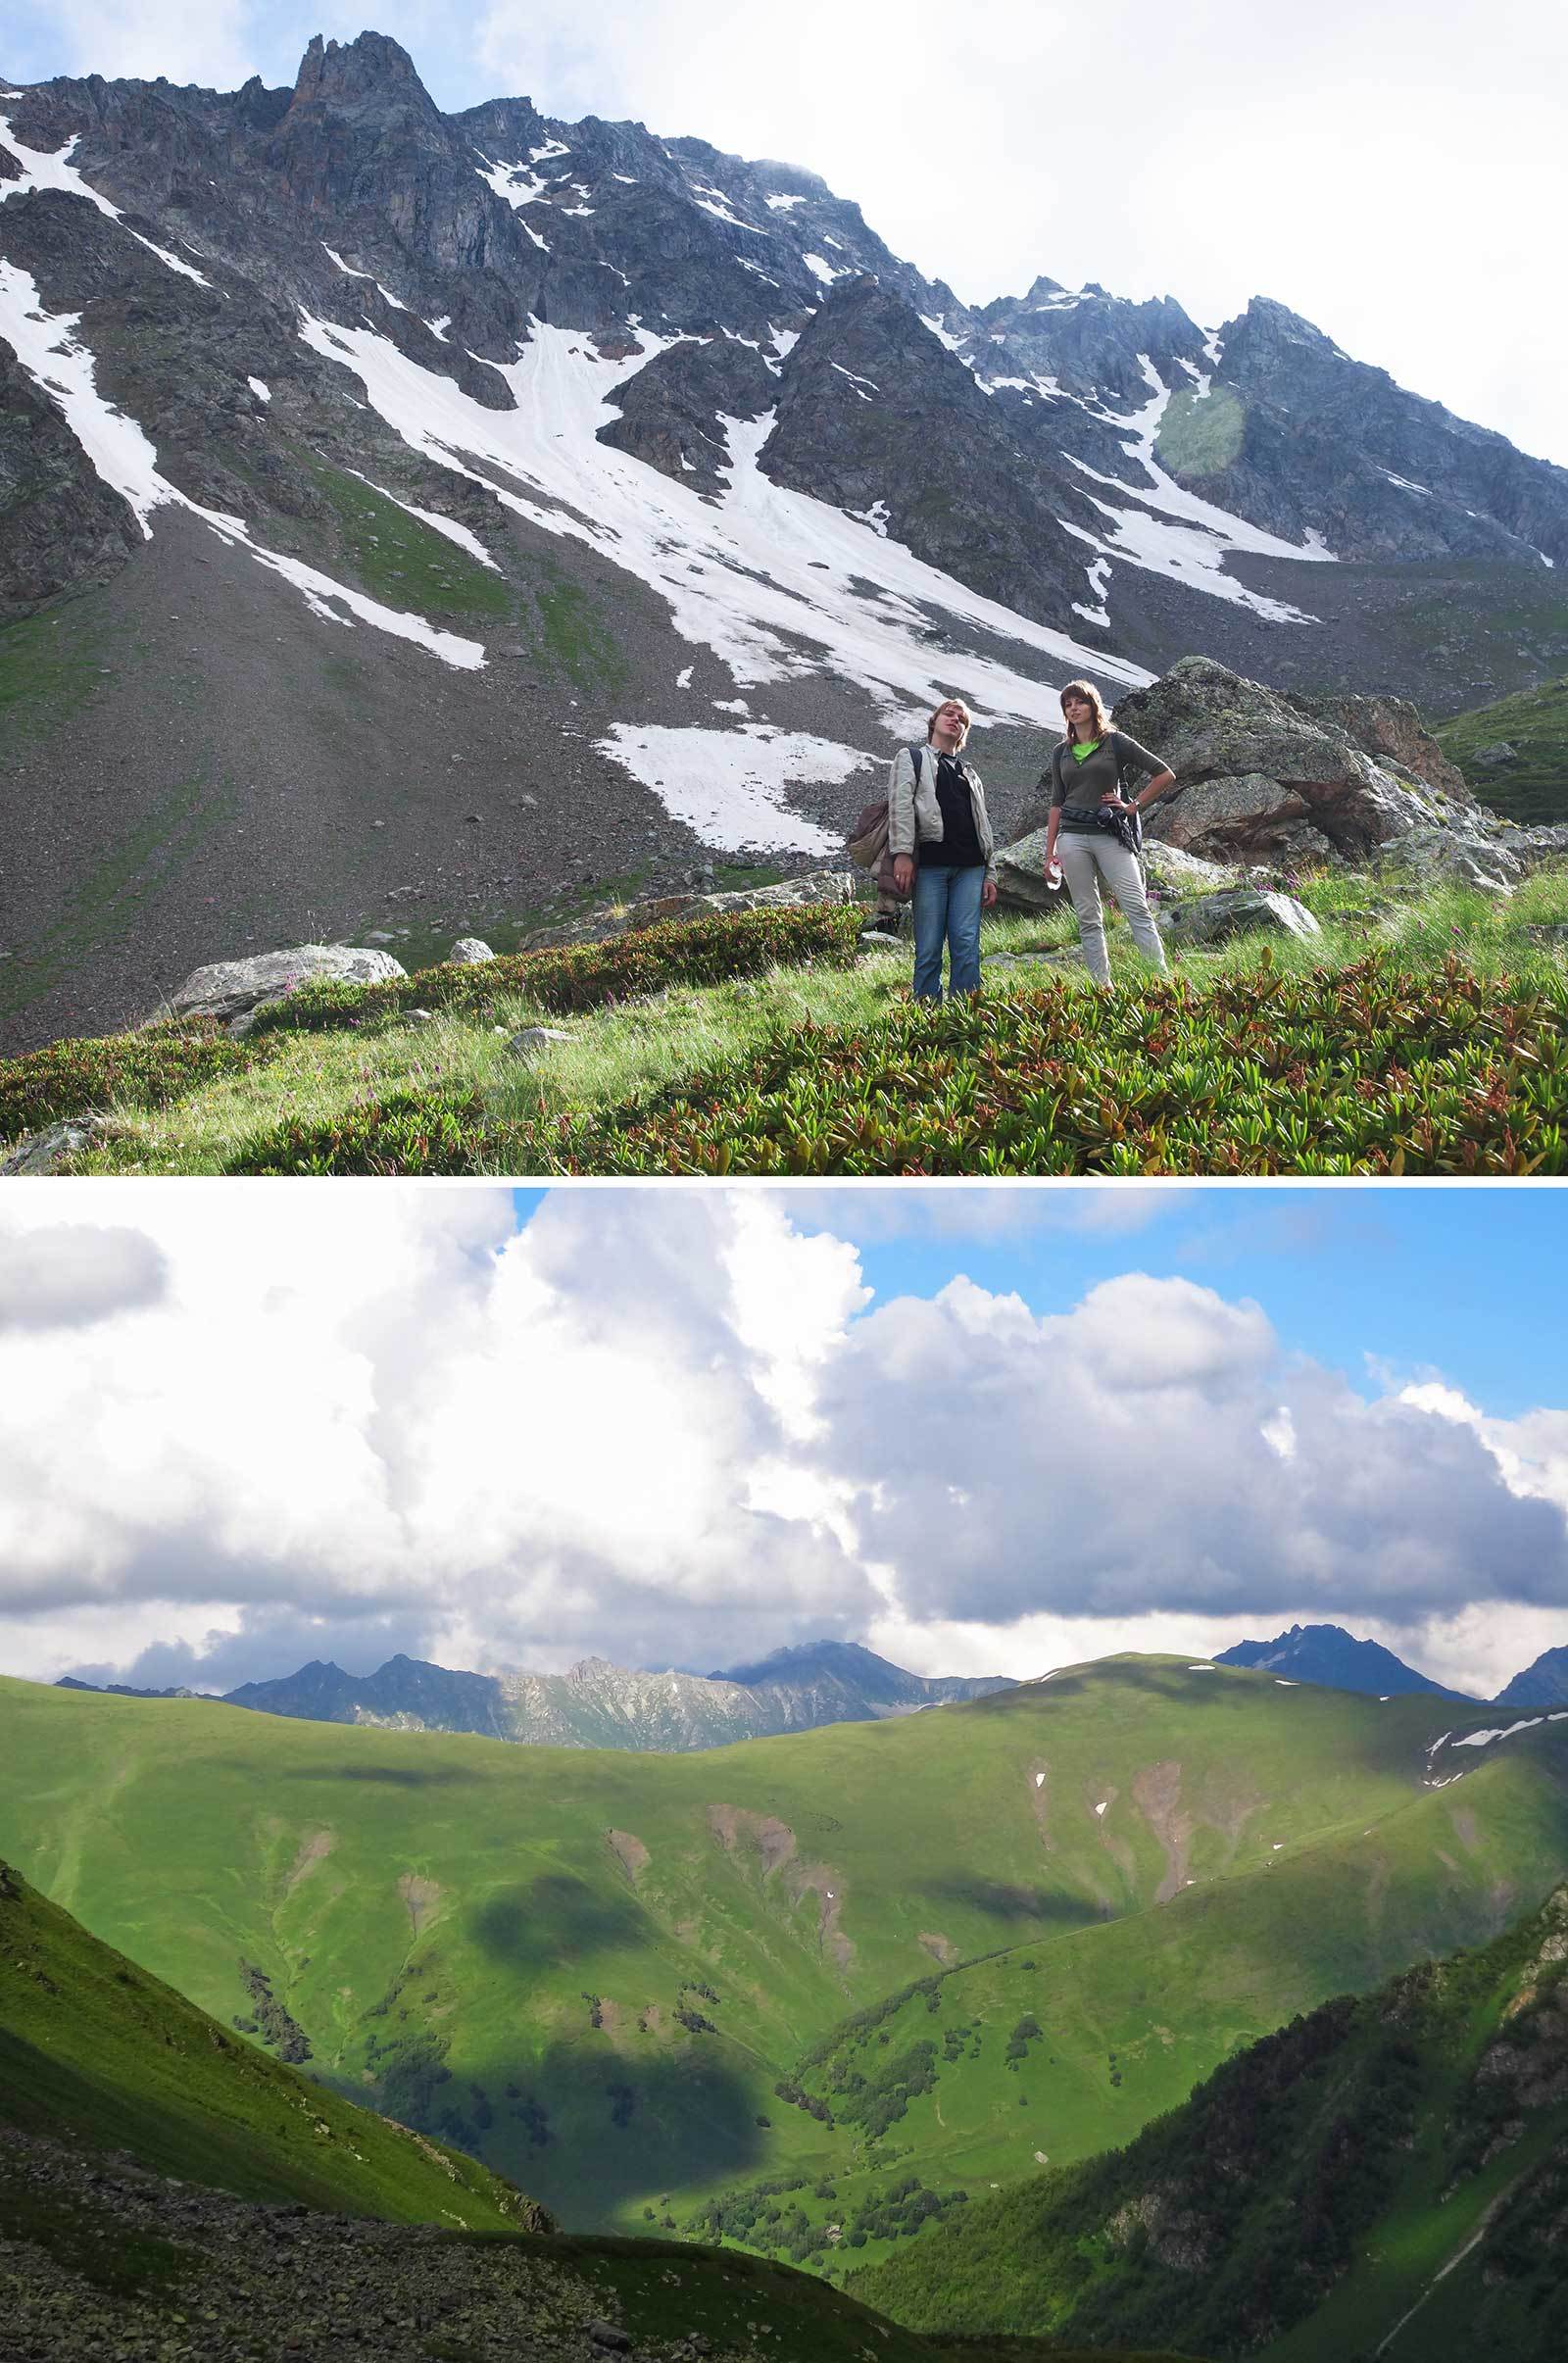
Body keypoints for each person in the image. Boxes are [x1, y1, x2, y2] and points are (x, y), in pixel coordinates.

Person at [1041, 680, 1176, 988]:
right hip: (1072, 837)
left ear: (1093, 706)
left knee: (1137, 907)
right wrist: (1049, 854)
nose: (1073, 709)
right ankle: (1103, 988)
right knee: (1088, 916)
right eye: (1068, 704)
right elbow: (1056, 803)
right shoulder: (1060, 752)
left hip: (1110, 835)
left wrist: (1133, 805)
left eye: (1080, 702)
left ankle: (1161, 983)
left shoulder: (1115, 742)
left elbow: (1164, 773)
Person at [888, 696, 998, 1001]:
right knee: (929, 945)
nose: (955, 719)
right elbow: (900, 807)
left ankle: (965, 1012)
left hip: (971, 867)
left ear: (964, 732)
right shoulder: (912, 758)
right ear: (934, 722)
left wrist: (991, 873)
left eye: (962, 719)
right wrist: (902, 854)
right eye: (948, 714)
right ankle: (927, 1011)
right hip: (931, 865)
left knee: (966, 941)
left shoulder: (970, 772)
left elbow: (983, 826)